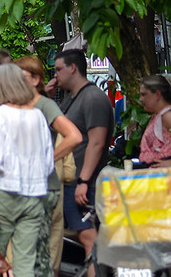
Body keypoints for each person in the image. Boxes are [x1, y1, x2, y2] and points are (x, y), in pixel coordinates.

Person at [0, 64, 53, 277]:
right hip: (35, 195)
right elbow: (48, 163)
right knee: (25, 261)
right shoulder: (38, 116)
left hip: (5, 193)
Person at [12, 55, 82, 274]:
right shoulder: (16, 106)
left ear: (35, 80)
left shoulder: (44, 105)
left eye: (21, 78)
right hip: (21, 189)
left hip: (43, 189)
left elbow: (74, 137)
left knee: (42, 255)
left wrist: (45, 160)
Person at [52, 49, 113, 256]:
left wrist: (84, 182)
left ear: (73, 68)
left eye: (59, 69)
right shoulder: (71, 98)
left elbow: (96, 143)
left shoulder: (93, 98)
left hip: (84, 183)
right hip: (71, 181)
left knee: (88, 237)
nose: (56, 75)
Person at [135, 75, 171, 167]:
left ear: (157, 95)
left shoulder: (168, 115)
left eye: (144, 94)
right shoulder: (159, 115)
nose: (141, 99)